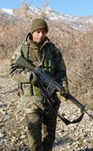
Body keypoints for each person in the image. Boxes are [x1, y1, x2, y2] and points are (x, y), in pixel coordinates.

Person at [9, 18, 69, 151]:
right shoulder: (23, 49)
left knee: (49, 136)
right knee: (34, 138)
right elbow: (12, 71)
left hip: (51, 100)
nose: (41, 35)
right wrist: (30, 77)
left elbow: (61, 70)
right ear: (32, 32)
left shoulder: (52, 49)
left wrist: (63, 88)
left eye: (43, 32)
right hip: (32, 101)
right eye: (38, 32)